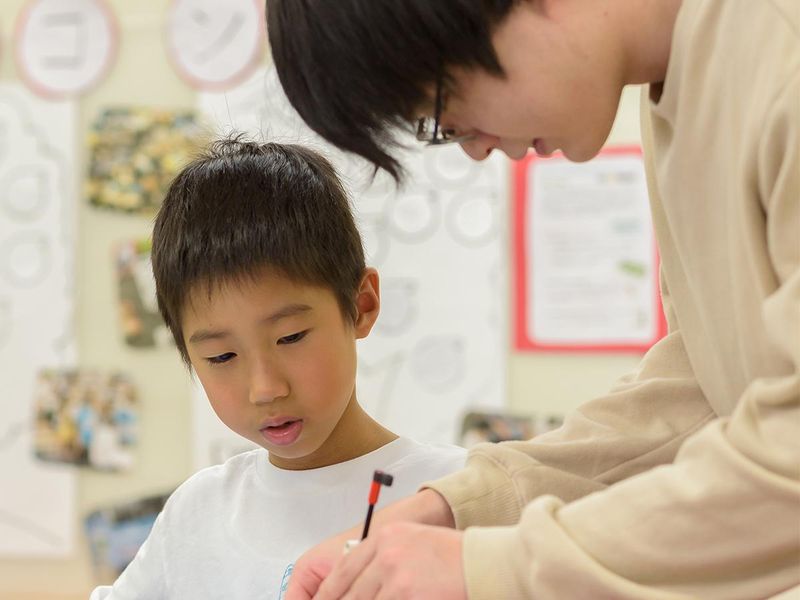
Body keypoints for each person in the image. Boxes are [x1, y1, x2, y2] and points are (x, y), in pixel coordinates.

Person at [266, 0, 800, 598]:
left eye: (442, 106)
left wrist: (494, 568)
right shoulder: (684, 87)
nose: (471, 147)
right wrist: (453, 510)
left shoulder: (781, 53)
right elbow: (704, 392)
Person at [89, 138, 466, 599]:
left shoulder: (459, 495)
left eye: (290, 338)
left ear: (362, 304)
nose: (265, 389)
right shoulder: (198, 512)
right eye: (221, 358)